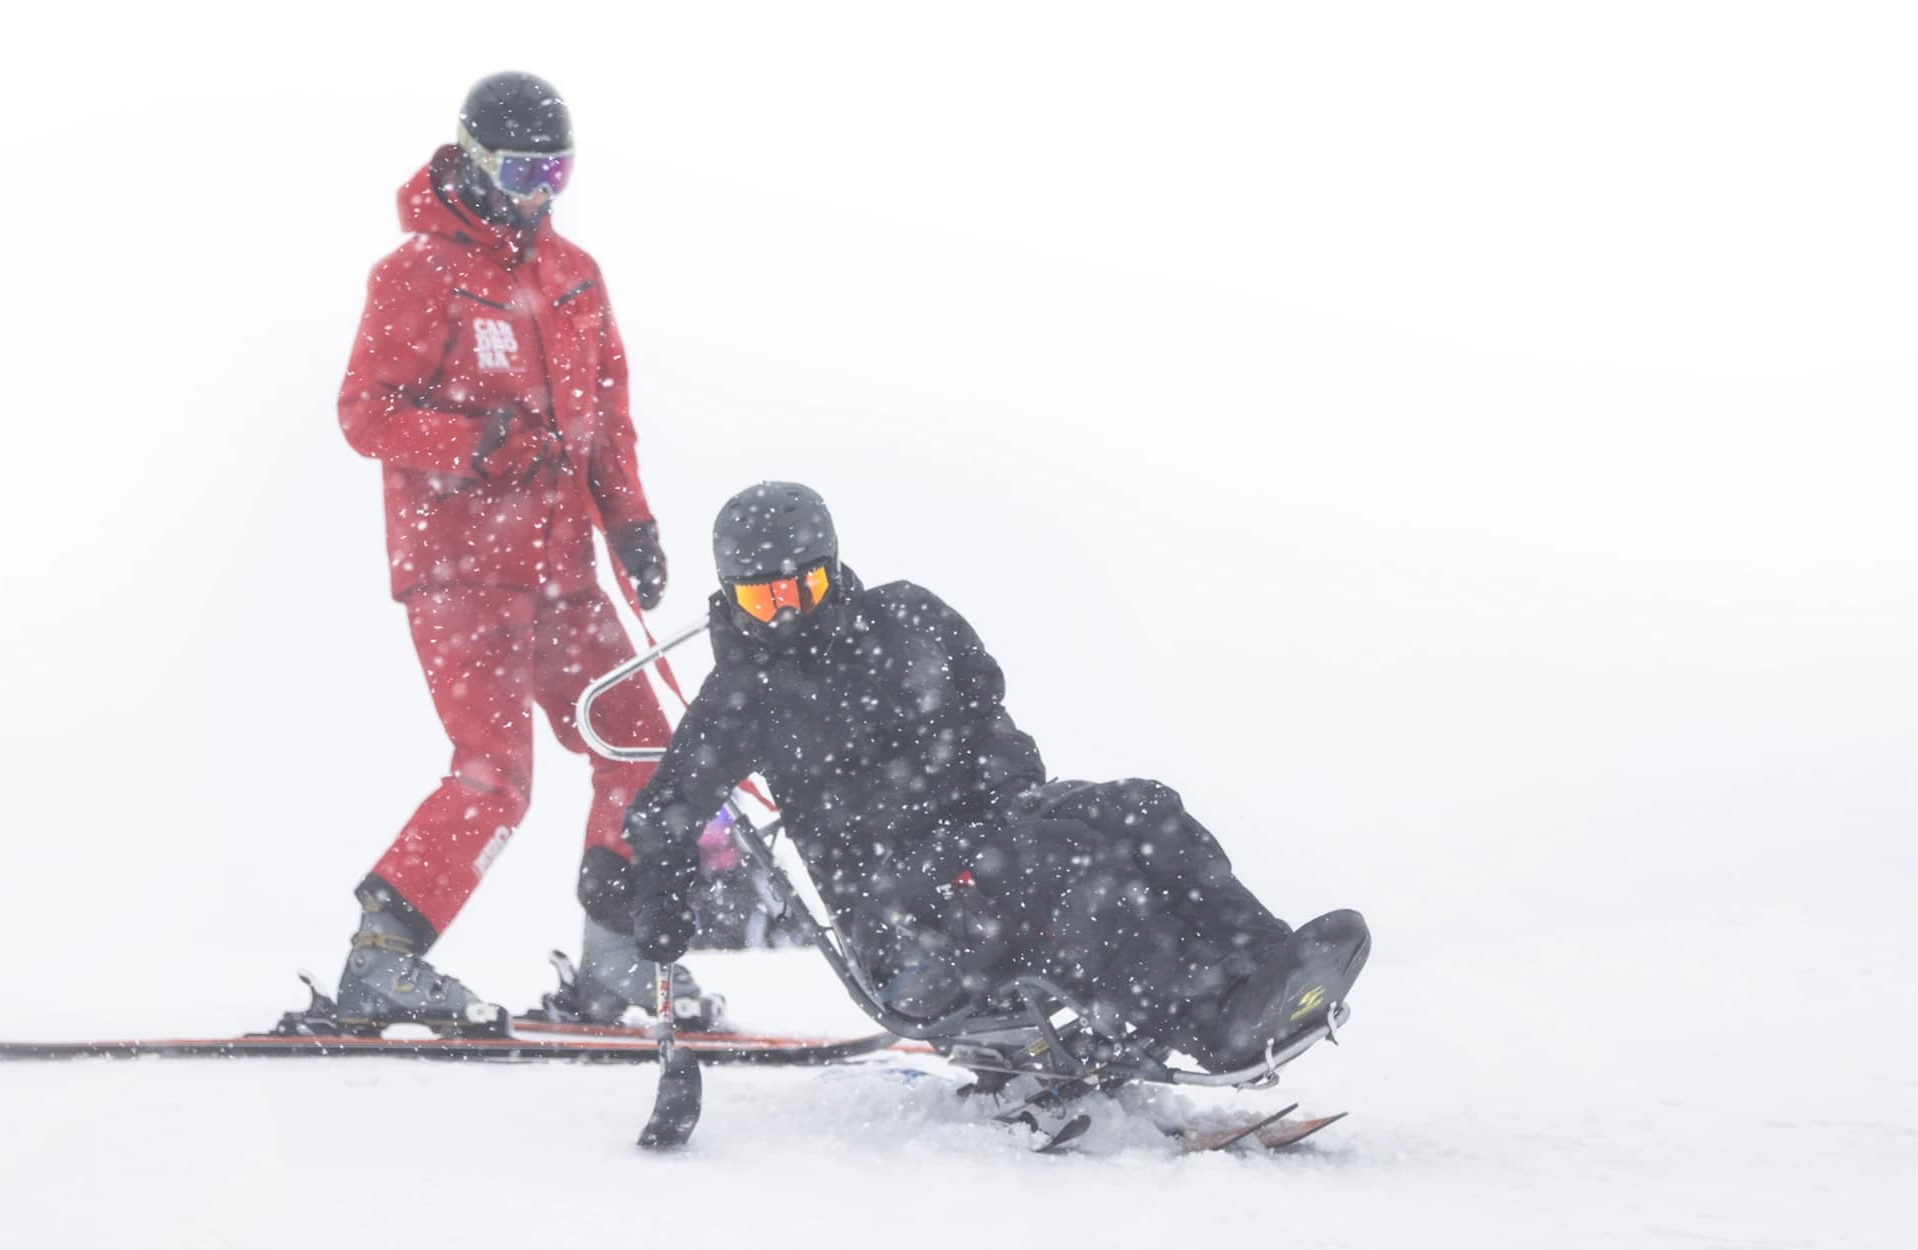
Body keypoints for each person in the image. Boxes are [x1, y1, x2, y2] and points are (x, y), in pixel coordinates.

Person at [624, 483, 1369, 1073]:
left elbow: (984, 701)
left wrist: (999, 782)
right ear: (731, 595)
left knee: (1142, 811)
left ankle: (1264, 968)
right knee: (1053, 866)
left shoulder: (907, 616)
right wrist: (662, 895)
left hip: (986, 824)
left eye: (802, 588)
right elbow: (665, 810)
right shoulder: (742, 695)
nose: (786, 614)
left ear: (834, 570)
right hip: (894, 912)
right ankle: (1213, 1025)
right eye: (763, 599)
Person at [324, 71, 717, 1033]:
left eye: (560, 168)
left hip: (564, 569)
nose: (543, 189)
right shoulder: (417, 271)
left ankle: (614, 965)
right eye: (526, 167)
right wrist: (474, 444)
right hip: (462, 570)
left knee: (643, 750)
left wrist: (630, 521)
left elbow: (607, 423)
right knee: (495, 777)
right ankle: (381, 961)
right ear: (472, 155)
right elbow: (365, 413)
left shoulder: (575, 275)